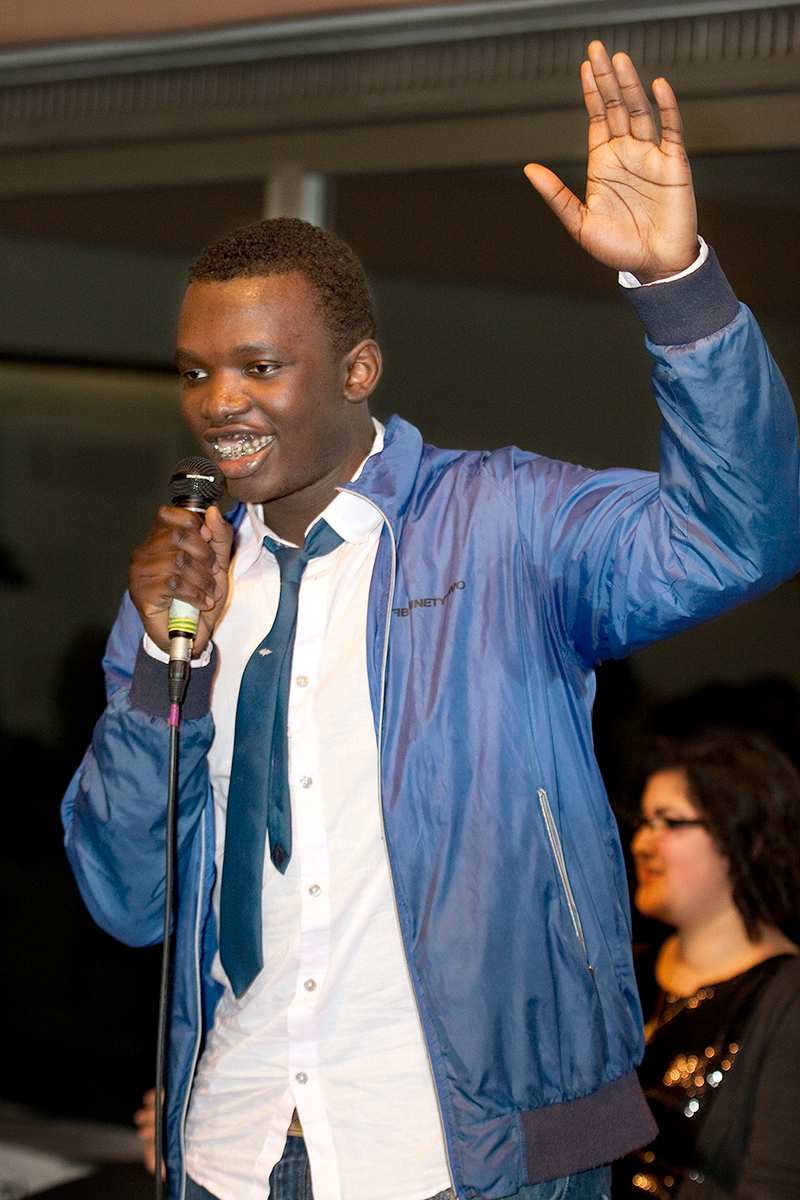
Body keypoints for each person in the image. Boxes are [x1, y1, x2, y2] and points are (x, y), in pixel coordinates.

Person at [61, 40, 800, 1200]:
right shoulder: (182, 592)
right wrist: (164, 655)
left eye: (259, 365)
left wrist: (677, 291)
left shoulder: (503, 523)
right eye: (196, 373)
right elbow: (124, 894)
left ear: (357, 368)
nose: (219, 405)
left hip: (465, 1159)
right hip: (236, 1152)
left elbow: (736, 536)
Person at [613, 730, 800, 1198]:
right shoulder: (617, 972)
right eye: (643, 822)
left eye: (669, 822)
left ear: (744, 838)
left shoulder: (787, 1004)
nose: (641, 844)